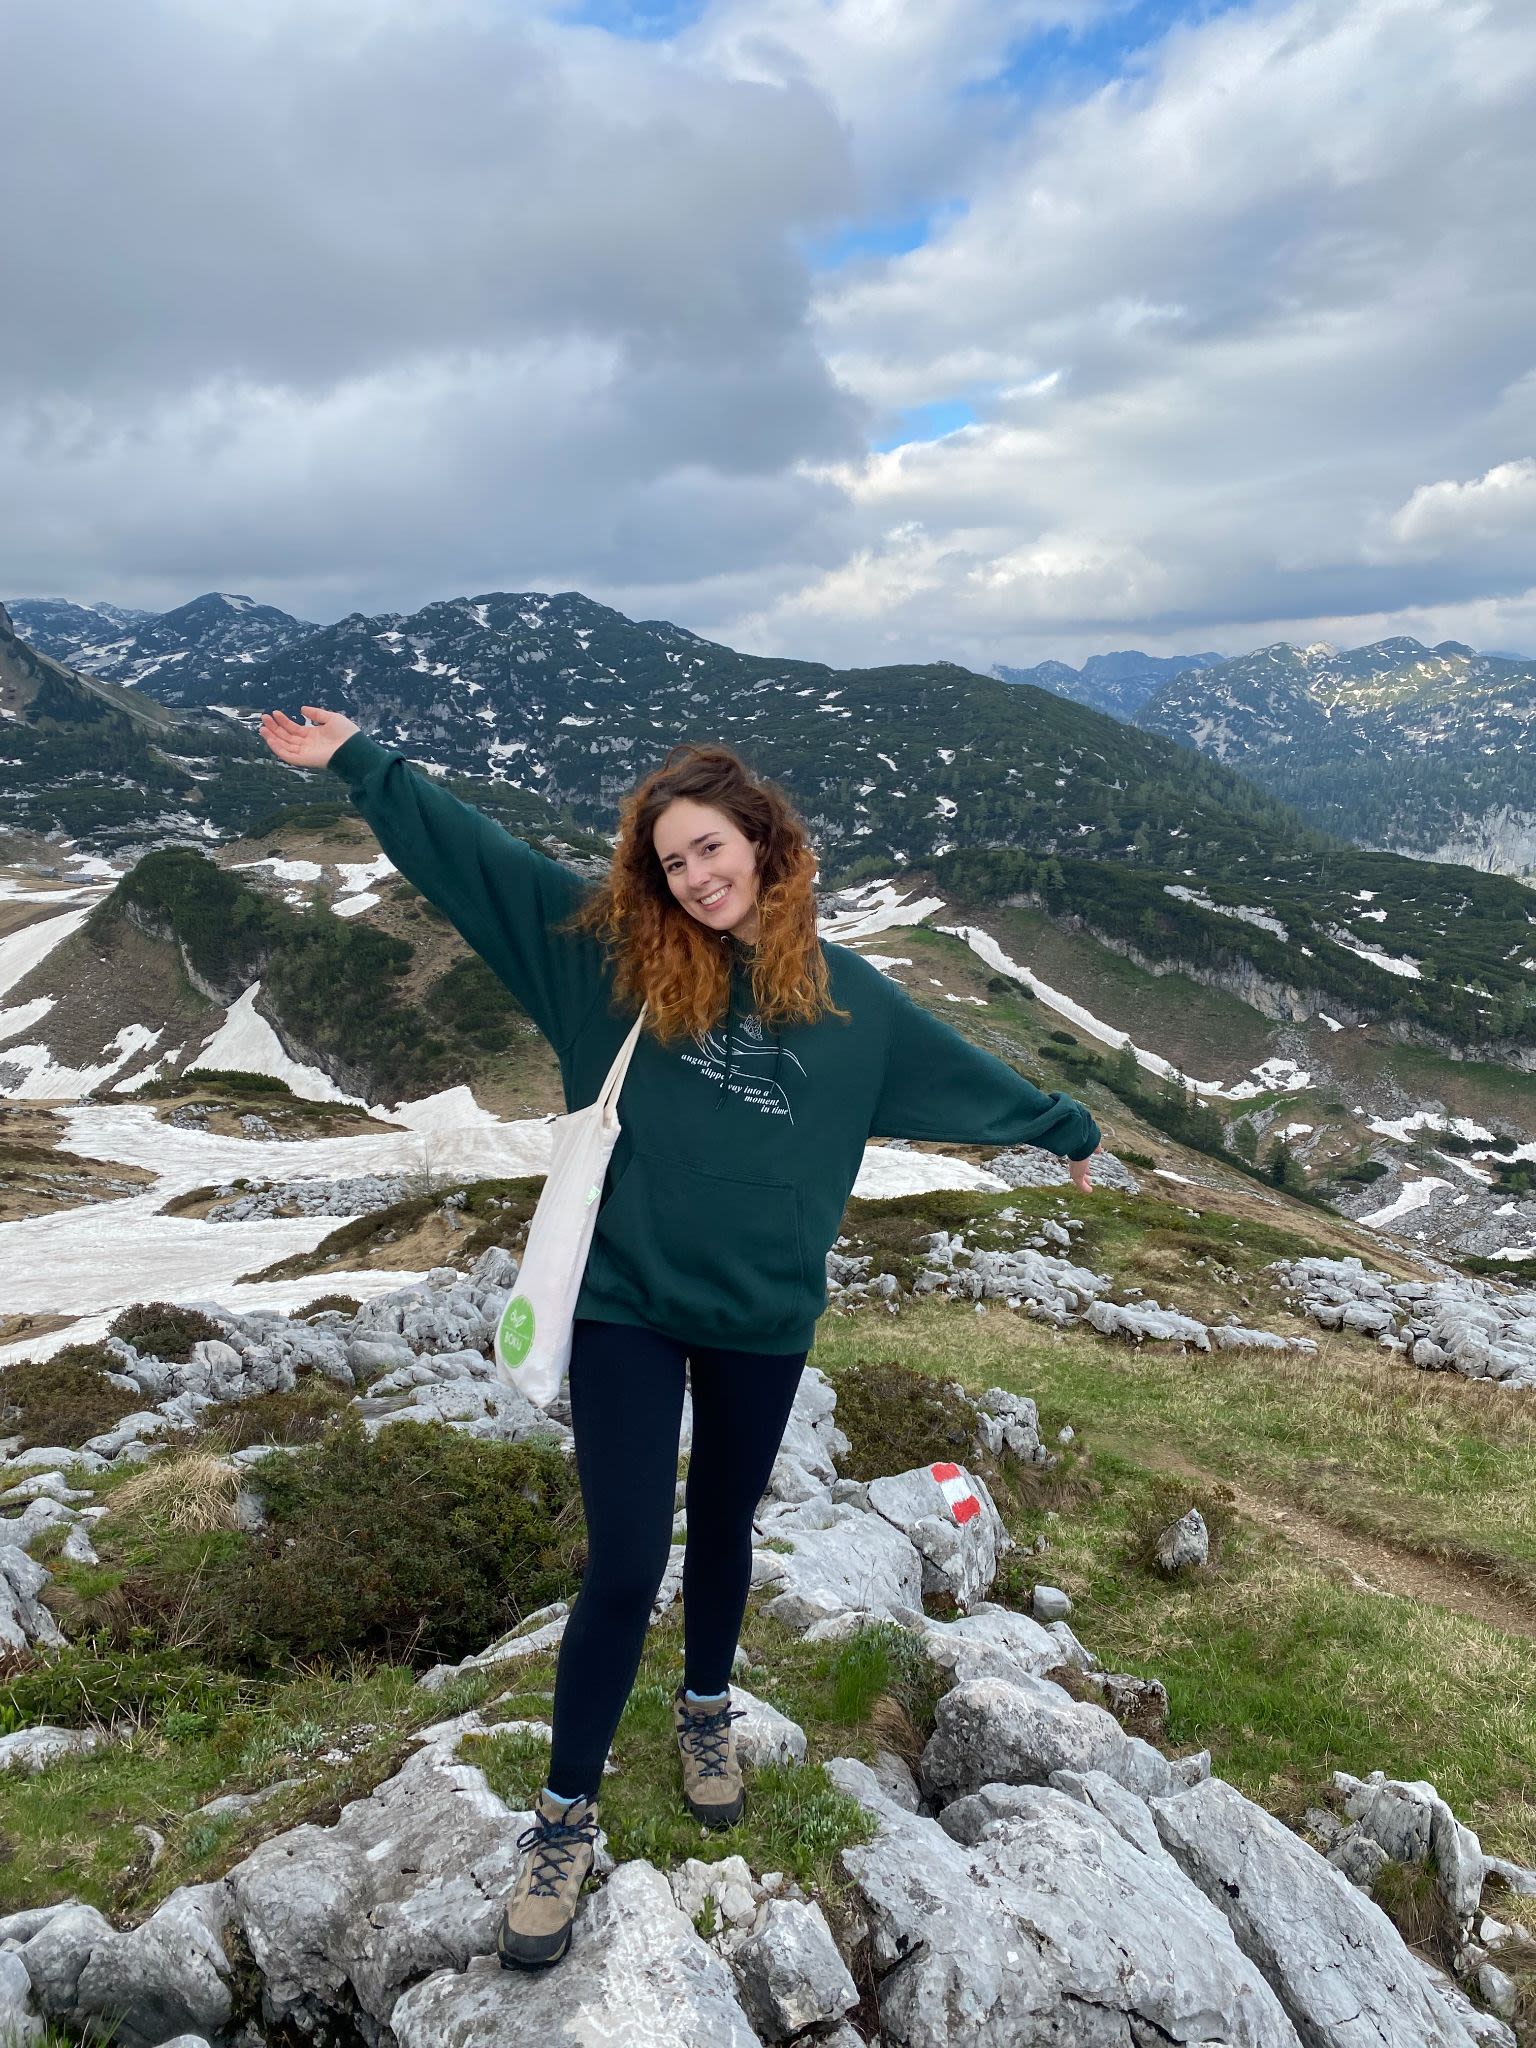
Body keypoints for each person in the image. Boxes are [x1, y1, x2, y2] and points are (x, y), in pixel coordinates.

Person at [258, 702, 1100, 1970]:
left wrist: (1065, 1127)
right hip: (625, 1308)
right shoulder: (606, 967)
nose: (696, 878)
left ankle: (706, 1707)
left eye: (711, 848)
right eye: (671, 862)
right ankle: (563, 1817)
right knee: (620, 1559)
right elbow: (480, 865)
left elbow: (971, 1076)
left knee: (726, 1524)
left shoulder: (856, 1004)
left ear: (763, 840)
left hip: (763, 1316)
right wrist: (363, 768)